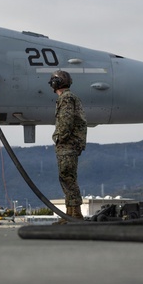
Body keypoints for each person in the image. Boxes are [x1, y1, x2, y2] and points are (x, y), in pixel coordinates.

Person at [50, 70, 87, 223]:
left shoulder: (66, 99)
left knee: (68, 177)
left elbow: (66, 121)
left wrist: (58, 137)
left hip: (68, 144)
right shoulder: (69, 98)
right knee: (66, 177)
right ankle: (69, 213)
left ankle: (75, 214)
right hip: (71, 143)